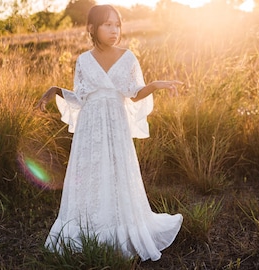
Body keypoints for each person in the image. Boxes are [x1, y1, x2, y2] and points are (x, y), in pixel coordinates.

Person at [36, 4, 183, 262]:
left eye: (117, 24)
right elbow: (81, 98)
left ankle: (119, 227)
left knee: (117, 171)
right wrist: (56, 90)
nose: (114, 30)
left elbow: (134, 94)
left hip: (115, 125)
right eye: (107, 24)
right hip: (90, 127)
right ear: (92, 28)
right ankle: (89, 227)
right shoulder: (83, 60)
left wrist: (156, 85)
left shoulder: (128, 57)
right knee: (91, 173)